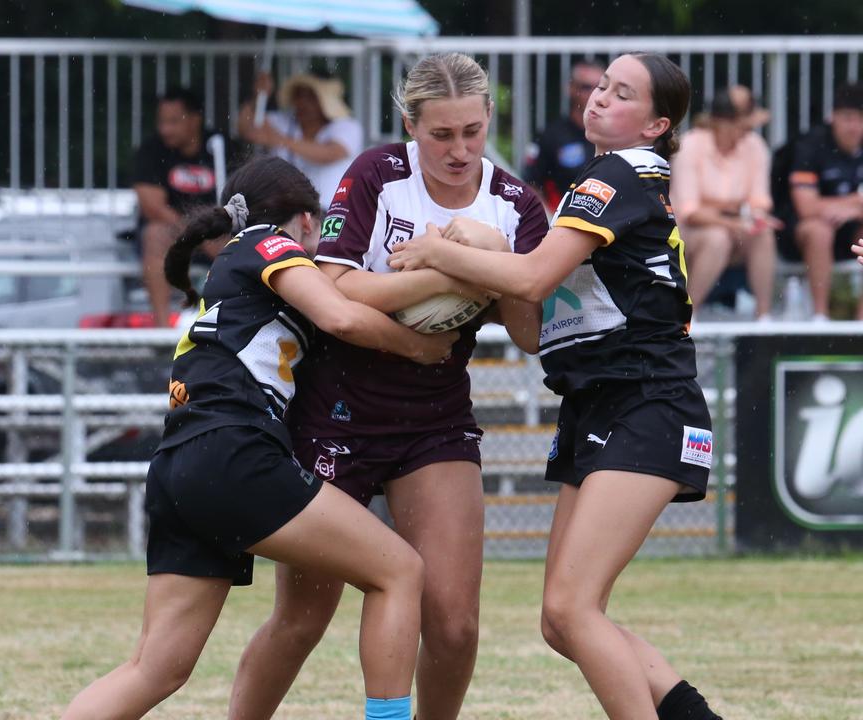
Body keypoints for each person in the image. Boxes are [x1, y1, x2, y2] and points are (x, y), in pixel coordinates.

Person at [62, 156, 462, 720]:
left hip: (180, 462)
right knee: (399, 571)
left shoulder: (233, 266)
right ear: (303, 220)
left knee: (155, 668)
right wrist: (421, 340)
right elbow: (341, 316)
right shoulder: (266, 243)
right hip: (233, 452)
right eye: (318, 229)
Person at [388, 53, 726, 720]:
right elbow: (538, 315)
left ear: (657, 124)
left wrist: (439, 253)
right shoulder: (613, 178)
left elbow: (534, 282)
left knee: (572, 609)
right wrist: (490, 250)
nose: (600, 99)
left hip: (646, 400)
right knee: (563, 619)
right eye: (602, 86)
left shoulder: (619, 175)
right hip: (606, 401)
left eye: (621, 94)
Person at [228, 53, 549, 720]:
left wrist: (491, 256)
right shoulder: (378, 173)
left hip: (435, 415)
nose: (459, 151)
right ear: (410, 123)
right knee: (302, 620)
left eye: (471, 131)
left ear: (489, 118)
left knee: (456, 625)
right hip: (336, 410)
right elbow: (337, 288)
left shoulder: (513, 204)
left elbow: (532, 332)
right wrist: (443, 269)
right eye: (441, 135)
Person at [672, 91, 780, 320]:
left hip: (732, 226)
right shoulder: (690, 145)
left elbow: (760, 202)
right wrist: (734, 218)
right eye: (745, 125)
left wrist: (750, 217)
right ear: (722, 123)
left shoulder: (754, 145)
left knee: (763, 233)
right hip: (687, 234)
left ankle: (764, 316)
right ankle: (687, 315)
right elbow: (689, 212)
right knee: (716, 237)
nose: (749, 132)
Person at [131, 88, 233, 327]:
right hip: (174, 235)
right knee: (154, 234)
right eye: (162, 122)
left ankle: (235, 325)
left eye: (174, 121)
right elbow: (153, 207)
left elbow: (244, 196)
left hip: (218, 232)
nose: (165, 129)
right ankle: (163, 330)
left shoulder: (222, 146)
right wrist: (200, 235)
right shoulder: (152, 149)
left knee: (245, 242)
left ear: (195, 118)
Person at [775, 82, 863, 321]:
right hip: (800, 236)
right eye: (848, 118)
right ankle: (820, 317)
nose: (854, 127)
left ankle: (860, 321)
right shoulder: (810, 145)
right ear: (832, 117)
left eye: (860, 119)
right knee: (819, 230)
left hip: (852, 234)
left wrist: (852, 208)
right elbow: (807, 208)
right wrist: (855, 202)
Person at [239, 71, 365, 211]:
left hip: (331, 210)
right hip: (288, 210)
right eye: (299, 95)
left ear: (326, 101)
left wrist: (280, 140)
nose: (302, 102)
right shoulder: (284, 122)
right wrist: (258, 97)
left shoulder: (347, 126)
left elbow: (330, 153)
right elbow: (248, 130)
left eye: (310, 97)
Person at [525, 61, 605, 212]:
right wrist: (549, 221)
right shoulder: (551, 136)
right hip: (562, 224)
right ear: (570, 88)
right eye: (587, 87)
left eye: (601, 88)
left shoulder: (618, 135)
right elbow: (531, 184)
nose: (595, 94)